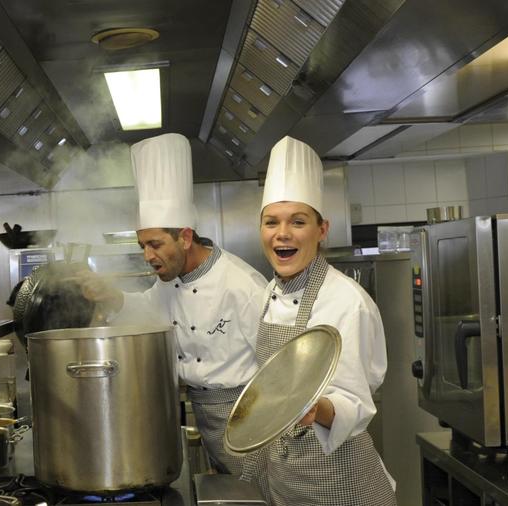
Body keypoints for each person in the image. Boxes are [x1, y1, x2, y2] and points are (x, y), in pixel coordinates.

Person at [82, 133, 266, 475]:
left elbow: (275, 369)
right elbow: (150, 313)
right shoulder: (169, 280)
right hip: (206, 415)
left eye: (154, 244)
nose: (147, 256)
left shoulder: (243, 285)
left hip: (249, 418)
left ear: (184, 236)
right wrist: (114, 297)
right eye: (142, 245)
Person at [241, 136, 396, 505]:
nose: (282, 233)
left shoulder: (347, 302)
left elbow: (357, 404)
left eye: (298, 221)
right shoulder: (267, 295)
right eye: (271, 222)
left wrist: (315, 409)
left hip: (339, 479)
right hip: (286, 479)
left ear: (321, 230)